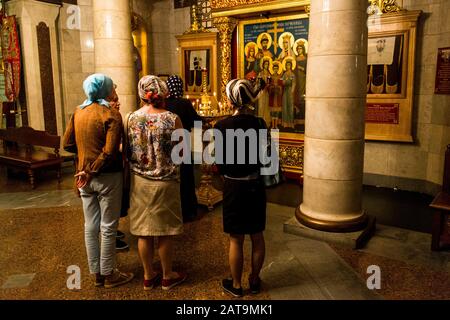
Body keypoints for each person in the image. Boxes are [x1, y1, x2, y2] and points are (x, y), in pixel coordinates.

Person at [63, 73, 134, 289]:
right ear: (104, 90)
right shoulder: (110, 114)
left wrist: (84, 159)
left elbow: (67, 144)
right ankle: (109, 274)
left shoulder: (78, 111)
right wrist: (93, 168)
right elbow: (110, 152)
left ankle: (96, 273)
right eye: (112, 87)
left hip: (83, 177)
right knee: (108, 226)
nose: (114, 90)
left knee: (90, 226)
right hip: (106, 177)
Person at [127, 75, 187, 291]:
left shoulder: (131, 118)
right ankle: (167, 275)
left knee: (144, 231)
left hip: (140, 182)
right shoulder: (172, 118)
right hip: (166, 182)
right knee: (164, 231)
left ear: (142, 92)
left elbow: (127, 149)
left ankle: (147, 275)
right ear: (162, 93)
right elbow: (182, 152)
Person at [214, 78, 268, 298]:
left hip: (233, 187)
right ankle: (254, 280)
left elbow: (220, 163)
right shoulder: (260, 124)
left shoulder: (221, 126)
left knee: (236, 238)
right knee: (257, 235)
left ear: (230, 100)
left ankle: (236, 284)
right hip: (255, 184)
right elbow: (267, 157)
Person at [165, 75, 201, 222]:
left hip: (167, 145)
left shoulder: (164, 103)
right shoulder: (185, 103)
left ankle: (172, 210)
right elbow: (196, 121)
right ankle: (188, 211)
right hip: (182, 143)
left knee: (171, 177)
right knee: (186, 176)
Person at [108, 90, 129, 251]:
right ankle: (111, 239)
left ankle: (113, 232)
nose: (118, 103)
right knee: (109, 208)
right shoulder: (110, 118)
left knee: (114, 207)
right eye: (114, 100)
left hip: (115, 167)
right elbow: (110, 147)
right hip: (108, 169)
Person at [281, 57, 296, 129]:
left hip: (290, 91)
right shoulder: (284, 74)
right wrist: (285, 81)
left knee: (290, 107)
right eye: (287, 65)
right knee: (285, 106)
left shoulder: (292, 75)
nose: (288, 67)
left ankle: (291, 123)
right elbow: (282, 82)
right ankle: (285, 123)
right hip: (285, 91)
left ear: (291, 66)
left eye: (289, 65)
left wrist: (292, 91)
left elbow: (294, 83)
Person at [257, 57, 272, 126]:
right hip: (261, 91)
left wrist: (268, 86)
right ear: (263, 65)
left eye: (267, 64)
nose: (266, 65)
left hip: (266, 92)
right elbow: (258, 82)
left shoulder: (269, 74)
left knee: (266, 106)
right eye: (265, 64)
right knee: (261, 106)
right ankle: (260, 121)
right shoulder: (260, 73)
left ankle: (266, 121)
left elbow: (270, 82)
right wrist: (261, 86)